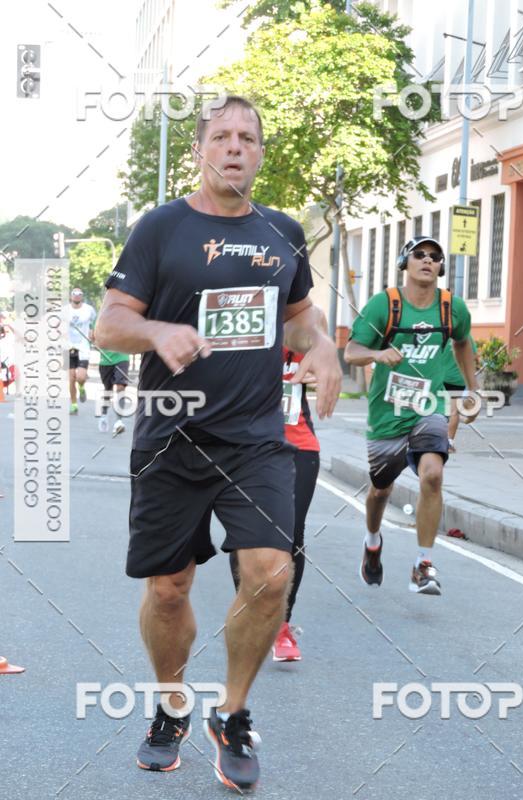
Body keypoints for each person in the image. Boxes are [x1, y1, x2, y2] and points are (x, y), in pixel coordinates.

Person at [94, 95, 341, 790]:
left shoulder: (281, 233)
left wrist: (319, 344)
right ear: (202, 150)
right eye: (223, 137)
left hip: (255, 439)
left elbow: (297, 317)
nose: (236, 147)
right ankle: (172, 706)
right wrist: (155, 332)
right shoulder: (161, 229)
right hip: (171, 436)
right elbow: (108, 325)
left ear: (261, 153)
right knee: (169, 589)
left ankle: (231, 715)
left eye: (249, 138)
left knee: (270, 573)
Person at [344, 235, 479, 595]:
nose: (427, 260)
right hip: (387, 413)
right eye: (419, 254)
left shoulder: (452, 308)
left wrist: (471, 389)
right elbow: (351, 351)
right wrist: (377, 355)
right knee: (380, 490)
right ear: (406, 261)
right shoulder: (384, 305)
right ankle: (373, 542)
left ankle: (423, 564)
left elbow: (464, 342)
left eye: (435, 257)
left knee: (432, 474)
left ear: (440, 267)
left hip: (427, 408)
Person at [229, 344, 321, 662]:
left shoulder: (302, 320)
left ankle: (281, 625)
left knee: (292, 535)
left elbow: (324, 355)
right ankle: (249, 611)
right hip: (247, 445)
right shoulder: (245, 319)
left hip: (299, 444)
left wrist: (319, 362)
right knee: (245, 534)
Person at [442, 334, 477, 453]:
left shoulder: (438, 333)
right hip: (457, 378)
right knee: (453, 411)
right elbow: (474, 355)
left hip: (438, 376)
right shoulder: (465, 335)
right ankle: (449, 443)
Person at [67, 288, 96, 414]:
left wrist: (92, 331)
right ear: (71, 296)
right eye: (74, 294)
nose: (77, 296)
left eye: (79, 294)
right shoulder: (65, 310)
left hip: (83, 346)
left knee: (80, 377)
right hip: (69, 347)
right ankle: (74, 405)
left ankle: (82, 386)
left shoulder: (89, 309)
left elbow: (95, 322)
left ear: (82, 297)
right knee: (71, 378)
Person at [97, 349, 129, 436]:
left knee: (121, 387)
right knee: (108, 389)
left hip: (122, 357)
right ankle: (104, 414)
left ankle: (119, 421)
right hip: (106, 359)